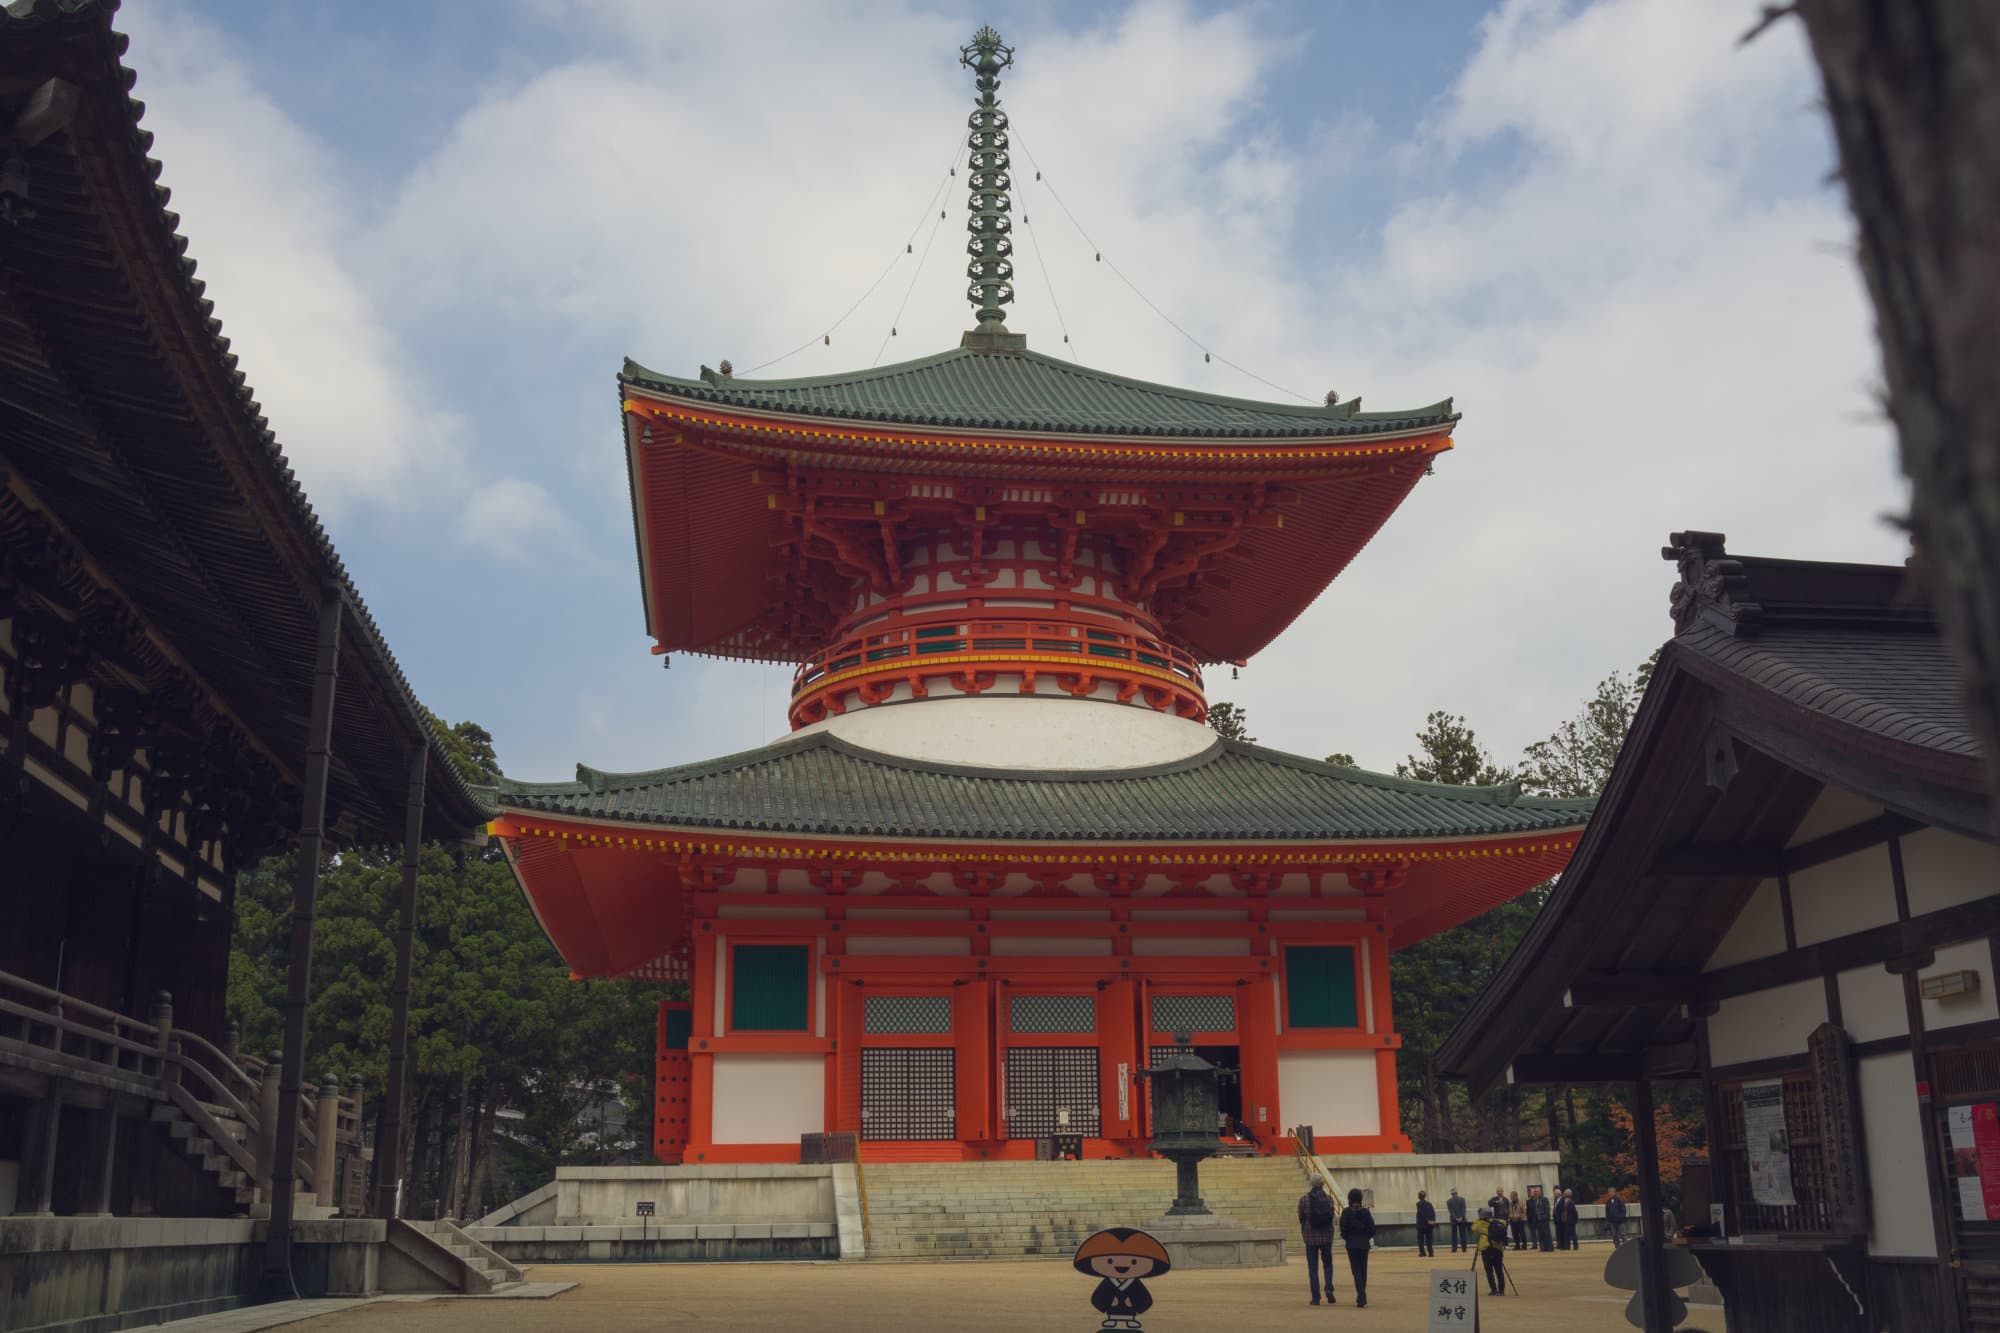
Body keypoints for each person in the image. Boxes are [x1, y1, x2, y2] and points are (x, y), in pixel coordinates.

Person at [1297, 1177, 1336, 1306]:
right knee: (1328, 1264)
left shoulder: (1304, 1199)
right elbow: (1331, 1216)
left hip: (1310, 1237)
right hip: (1326, 1236)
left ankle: (1316, 1297)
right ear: (1322, 1184)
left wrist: (1305, 1227)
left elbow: (1301, 1217)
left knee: (1313, 1267)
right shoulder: (1329, 1199)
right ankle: (1329, 1288)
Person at [1339, 1187, 1376, 1309]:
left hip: (1351, 1244)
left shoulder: (1346, 1212)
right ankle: (1362, 1294)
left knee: (1356, 1271)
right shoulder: (1365, 1212)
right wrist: (1366, 1237)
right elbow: (1372, 1229)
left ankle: (1361, 1295)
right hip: (1364, 1244)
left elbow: (1343, 1229)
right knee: (1363, 1269)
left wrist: (1348, 1239)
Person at [1476, 1206, 1507, 1296]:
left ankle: (1493, 1289)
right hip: (1498, 1249)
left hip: (1486, 1249)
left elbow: (1473, 1227)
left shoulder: (1481, 1224)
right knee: (1499, 1270)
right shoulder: (1500, 1222)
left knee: (1489, 1270)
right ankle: (1501, 1289)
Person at [1527, 1185, 1552, 1252]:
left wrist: (1545, 1217)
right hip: (1537, 1221)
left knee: (1546, 1234)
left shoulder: (1544, 1199)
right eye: (1535, 1192)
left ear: (1540, 1192)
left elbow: (1547, 1209)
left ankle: (1549, 1247)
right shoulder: (1535, 1200)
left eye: (1537, 1191)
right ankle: (1543, 1247)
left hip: (1544, 1220)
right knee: (1540, 1235)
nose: (1535, 1193)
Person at [1447, 1187, 1470, 1252]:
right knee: (1463, 1234)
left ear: (1451, 1194)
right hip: (1462, 1219)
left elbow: (1451, 1211)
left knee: (1454, 1234)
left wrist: (1456, 1218)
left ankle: (1454, 1248)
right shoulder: (1462, 1199)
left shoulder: (1449, 1201)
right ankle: (1464, 1248)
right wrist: (1461, 1217)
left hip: (1454, 1220)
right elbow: (1463, 1209)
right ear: (1457, 1193)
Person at [1415, 1189, 1436, 1258]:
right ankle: (1430, 1252)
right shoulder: (1429, 1204)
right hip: (1429, 1225)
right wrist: (1433, 1220)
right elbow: (1433, 1212)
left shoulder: (1418, 1204)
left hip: (1421, 1225)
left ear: (1419, 1197)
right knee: (1429, 1239)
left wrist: (1427, 1220)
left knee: (1421, 1240)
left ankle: (1422, 1252)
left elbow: (1422, 1213)